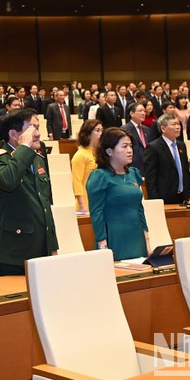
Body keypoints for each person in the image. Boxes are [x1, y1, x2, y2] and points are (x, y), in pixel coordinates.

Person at [0, 109, 57, 277]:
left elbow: (45, 205)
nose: (38, 134)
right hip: (12, 254)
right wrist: (24, 147)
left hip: (41, 250)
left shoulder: (38, 159)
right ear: (13, 133)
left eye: (38, 127)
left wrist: (53, 246)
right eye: (32, 128)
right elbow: (9, 181)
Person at [87, 127, 149, 261]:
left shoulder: (133, 174)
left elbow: (139, 208)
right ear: (109, 151)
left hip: (137, 235)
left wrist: (147, 238)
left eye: (131, 146)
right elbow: (96, 213)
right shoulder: (100, 176)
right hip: (115, 237)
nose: (130, 150)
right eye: (124, 146)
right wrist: (102, 244)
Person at [143, 113, 190, 204]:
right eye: (173, 124)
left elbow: (185, 171)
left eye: (178, 124)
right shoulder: (153, 147)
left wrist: (189, 193)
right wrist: (155, 201)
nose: (178, 127)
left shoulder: (181, 145)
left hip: (183, 197)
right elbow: (150, 177)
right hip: (164, 198)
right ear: (163, 128)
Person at [71, 119, 102, 212]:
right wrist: (82, 205)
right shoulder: (80, 155)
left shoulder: (100, 153)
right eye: (97, 130)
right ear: (88, 134)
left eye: (102, 130)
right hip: (86, 202)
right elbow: (77, 182)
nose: (101, 133)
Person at [123, 102, 150, 172]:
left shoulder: (147, 129)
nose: (143, 113)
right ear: (132, 113)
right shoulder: (125, 129)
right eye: (140, 111)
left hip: (146, 166)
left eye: (144, 111)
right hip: (132, 167)